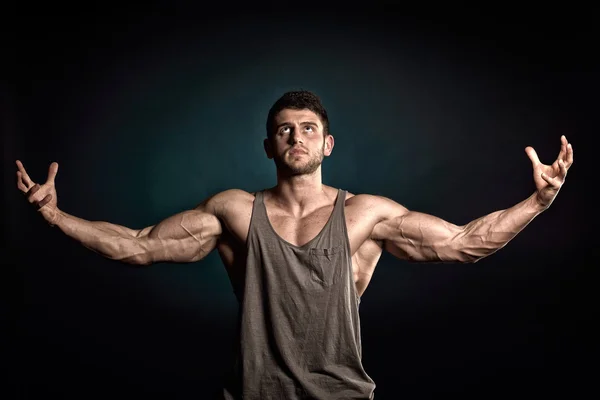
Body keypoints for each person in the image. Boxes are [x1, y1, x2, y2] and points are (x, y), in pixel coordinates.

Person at [16, 90, 574, 399]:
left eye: (308, 128)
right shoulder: (233, 211)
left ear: (327, 143)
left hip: (343, 396)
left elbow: (461, 243)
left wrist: (538, 203)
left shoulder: (365, 214)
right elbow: (137, 246)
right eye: (285, 128)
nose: (296, 136)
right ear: (268, 145)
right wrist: (53, 213)